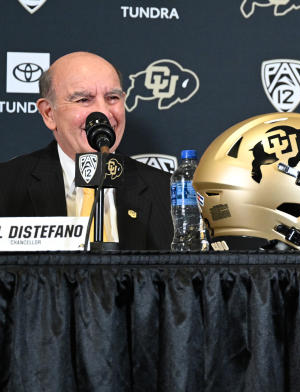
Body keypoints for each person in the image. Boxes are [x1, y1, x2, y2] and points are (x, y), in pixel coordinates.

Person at [0, 51, 173, 249]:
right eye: (83, 100)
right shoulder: (6, 186)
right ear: (49, 113)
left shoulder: (167, 193)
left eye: (112, 97)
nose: (104, 113)